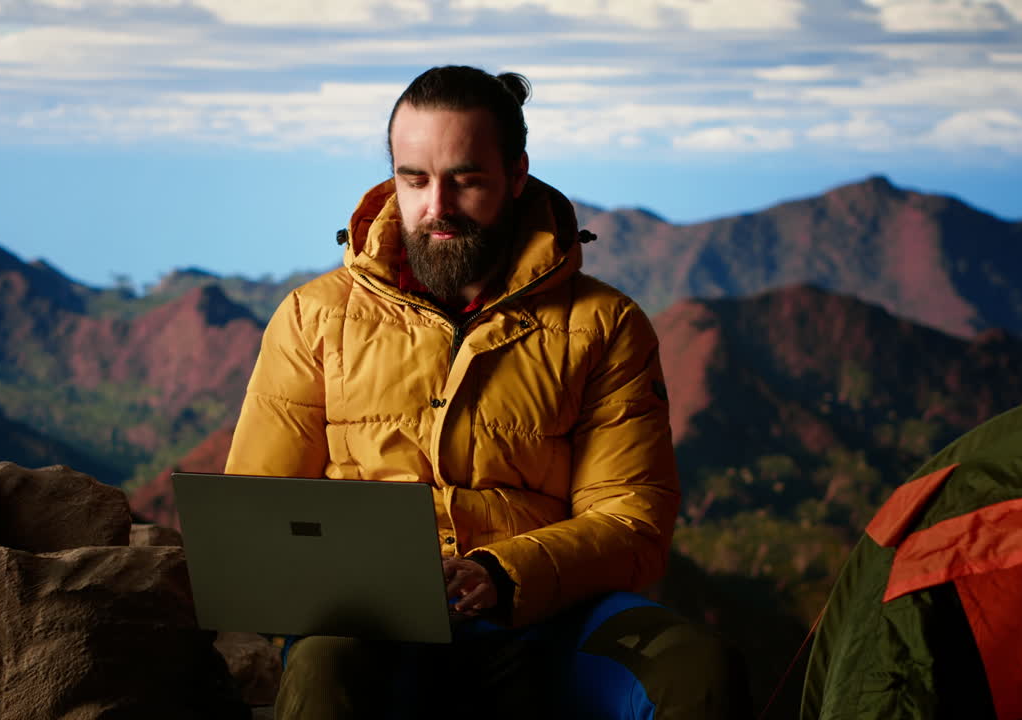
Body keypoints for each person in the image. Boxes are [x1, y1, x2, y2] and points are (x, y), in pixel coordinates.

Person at [225, 65, 749, 719]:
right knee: (323, 664)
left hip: (554, 616)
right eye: (413, 178)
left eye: (465, 180)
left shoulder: (604, 324)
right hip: (370, 626)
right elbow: (258, 518)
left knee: (692, 664)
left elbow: (632, 521)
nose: (435, 205)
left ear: (516, 174)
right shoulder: (314, 317)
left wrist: (504, 576)